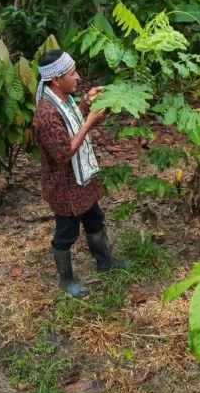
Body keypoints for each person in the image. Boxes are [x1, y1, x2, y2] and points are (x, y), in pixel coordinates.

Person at [33, 49, 129, 298]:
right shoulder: (46, 114)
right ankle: (66, 281)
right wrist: (89, 123)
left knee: (95, 219)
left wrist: (87, 102)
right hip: (65, 186)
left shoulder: (65, 100)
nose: (78, 77)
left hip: (81, 179)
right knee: (66, 233)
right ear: (56, 79)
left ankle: (105, 262)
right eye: (72, 73)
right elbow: (63, 153)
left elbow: (73, 119)